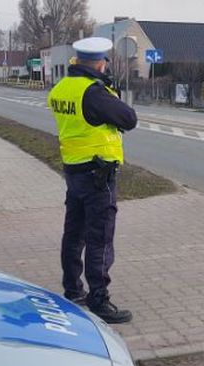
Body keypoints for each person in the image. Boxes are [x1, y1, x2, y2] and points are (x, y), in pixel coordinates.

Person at [48, 37, 137, 324]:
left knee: (74, 233)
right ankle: (99, 299)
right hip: (99, 175)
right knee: (99, 236)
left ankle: (73, 289)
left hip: (73, 171)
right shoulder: (94, 93)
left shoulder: (61, 88)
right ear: (100, 62)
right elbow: (128, 118)